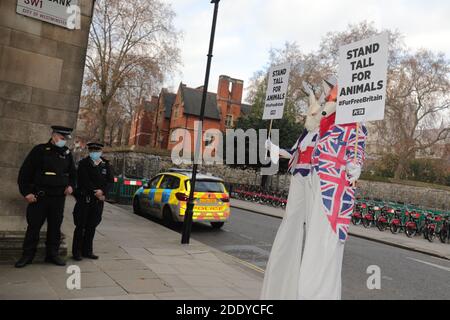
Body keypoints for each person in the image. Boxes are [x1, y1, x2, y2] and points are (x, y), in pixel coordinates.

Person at [296, 83, 367, 299]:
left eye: (333, 95)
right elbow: (313, 129)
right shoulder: (328, 125)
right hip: (317, 187)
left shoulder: (355, 125)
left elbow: (358, 146)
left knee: (326, 248)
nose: (329, 98)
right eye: (329, 95)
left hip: (334, 195)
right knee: (314, 247)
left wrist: (356, 164)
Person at [261, 84, 324, 299]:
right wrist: (274, 148)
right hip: (298, 179)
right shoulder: (305, 135)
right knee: (291, 223)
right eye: (309, 113)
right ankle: (284, 278)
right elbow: (293, 153)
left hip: (313, 181)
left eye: (314, 113)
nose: (310, 117)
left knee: (313, 227)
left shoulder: (324, 135)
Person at [16, 126, 76, 268]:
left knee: (55, 228)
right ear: (54, 136)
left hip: (58, 198)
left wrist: (71, 186)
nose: (64, 142)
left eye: (66, 139)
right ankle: (27, 255)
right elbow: (24, 174)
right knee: (33, 228)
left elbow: (73, 174)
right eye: (62, 138)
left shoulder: (67, 154)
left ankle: (52, 255)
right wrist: (27, 193)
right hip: (39, 197)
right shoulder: (40, 150)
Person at [72, 142, 114, 261]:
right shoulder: (83, 164)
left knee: (92, 226)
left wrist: (104, 192)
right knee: (81, 226)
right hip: (86, 199)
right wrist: (95, 192)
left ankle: (87, 251)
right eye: (92, 151)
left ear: (101, 152)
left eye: (97, 150)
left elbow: (110, 181)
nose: (95, 153)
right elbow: (84, 181)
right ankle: (77, 251)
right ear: (89, 151)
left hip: (98, 202)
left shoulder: (105, 165)